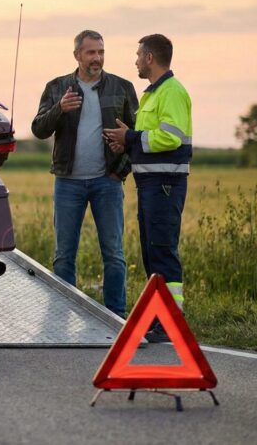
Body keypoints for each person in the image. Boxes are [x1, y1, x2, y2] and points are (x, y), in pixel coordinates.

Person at [31, 30, 138, 317]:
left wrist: (121, 172)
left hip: (108, 182)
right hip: (68, 183)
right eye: (91, 52)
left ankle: (116, 315)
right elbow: (39, 129)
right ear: (77, 55)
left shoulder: (122, 87)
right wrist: (59, 109)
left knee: (114, 254)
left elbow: (136, 135)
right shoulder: (56, 87)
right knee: (64, 256)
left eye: (101, 52)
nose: (97, 58)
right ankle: (64, 314)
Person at [104, 34, 192, 343]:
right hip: (151, 185)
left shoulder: (171, 92)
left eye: (139, 55)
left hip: (165, 185)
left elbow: (171, 139)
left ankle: (170, 323)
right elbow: (148, 139)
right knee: (152, 254)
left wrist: (130, 138)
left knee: (163, 252)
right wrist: (126, 141)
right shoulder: (153, 94)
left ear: (151, 58)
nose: (136, 60)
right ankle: (160, 318)